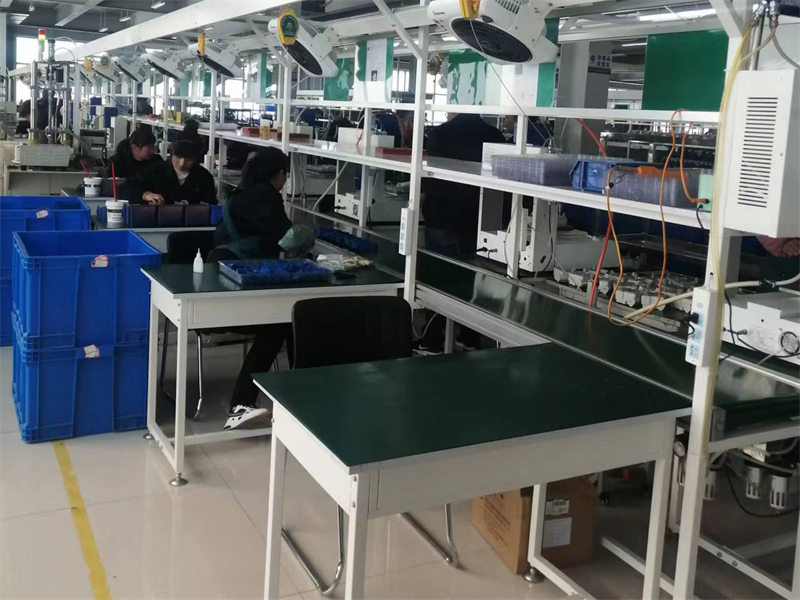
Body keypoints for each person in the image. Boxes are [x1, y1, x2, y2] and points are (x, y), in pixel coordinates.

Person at [212, 148, 294, 430]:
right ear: (279, 174)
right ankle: (242, 404)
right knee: (283, 324)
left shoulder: (241, 192)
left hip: (222, 276)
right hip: (238, 285)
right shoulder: (265, 198)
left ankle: (287, 395)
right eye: (285, 175)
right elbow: (287, 236)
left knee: (287, 320)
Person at [421, 113, 506, 257]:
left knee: (438, 265)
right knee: (476, 265)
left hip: (443, 218)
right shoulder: (496, 135)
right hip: (481, 222)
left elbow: (429, 178)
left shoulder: (440, 133)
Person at [132, 139, 217, 205]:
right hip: (157, 218)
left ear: (195, 160)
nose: (182, 164)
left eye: (188, 160)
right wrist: (146, 195)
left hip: (192, 220)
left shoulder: (204, 177)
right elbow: (128, 188)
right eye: (178, 158)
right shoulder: (154, 170)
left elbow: (211, 202)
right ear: (171, 155)